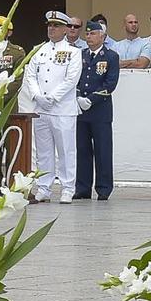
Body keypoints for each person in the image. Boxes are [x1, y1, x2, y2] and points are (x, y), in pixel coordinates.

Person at [20, 12, 80, 203]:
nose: (51, 28)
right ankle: (44, 187)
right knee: (44, 151)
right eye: (49, 25)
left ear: (65, 29)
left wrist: (53, 97)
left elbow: (72, 79)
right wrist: (37, 95)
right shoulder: (39, 50)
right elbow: (30, 75)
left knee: (66, 150)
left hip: (62, 108)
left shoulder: (73, 52)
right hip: (41, 108)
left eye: (56, 25)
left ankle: (68, 187)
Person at [73, 16, 120, 201]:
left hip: (100, 111)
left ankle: (103, 188)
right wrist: (78, 97)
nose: (89, 37)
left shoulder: (111, 56)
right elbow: (74, 78)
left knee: (102, 150)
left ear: (102, 36)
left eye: (93, 34)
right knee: (82, 150)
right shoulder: (80, 55)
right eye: (87, 34)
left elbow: (110, 83)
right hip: (80, 110)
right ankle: (82, 188)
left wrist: (91, 99)